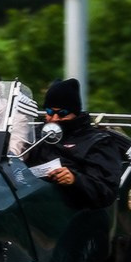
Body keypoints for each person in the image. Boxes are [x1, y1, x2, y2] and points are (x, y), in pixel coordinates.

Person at [26, 78, 123, 209]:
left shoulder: (98, 142)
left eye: (62, 113)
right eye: (49, 112)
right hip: (32, 203)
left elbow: (106, 192)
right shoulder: (34, 134)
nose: (55, 118)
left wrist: (75, 179)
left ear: (75, 113)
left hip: (75, 211)